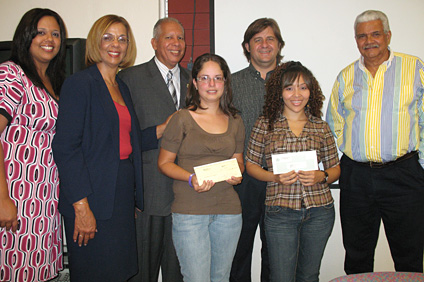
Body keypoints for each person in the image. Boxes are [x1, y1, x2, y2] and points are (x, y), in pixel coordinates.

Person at [52, 15, 157, 282]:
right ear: (96, 42)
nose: (116, 44)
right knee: (94, 273)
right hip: (91, 196)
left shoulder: (121, 86)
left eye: (122, 38)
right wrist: (81, 206)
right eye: (108, 37)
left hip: (120, 195)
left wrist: (164, 129)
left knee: (119, 272)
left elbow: (124, 142)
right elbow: (66, 148)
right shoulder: (80, 84)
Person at [326, 10, 424, 274]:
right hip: (356, 176)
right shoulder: (346, 76)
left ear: (388, 35)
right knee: (357, 255)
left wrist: (421, 167)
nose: (369, 40)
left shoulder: (415, 69)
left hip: (403, 174)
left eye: (375, 33)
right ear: (356, 40)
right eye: (362, 36)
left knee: (409, 255)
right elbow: (334, 122)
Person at [246, 61, 340, 282]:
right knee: (281, 277)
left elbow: (335, 168)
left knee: (309, 276)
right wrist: (274, 177)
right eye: (289, 88)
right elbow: (250, 164)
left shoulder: (321, 126)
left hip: (319, 211)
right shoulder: (265, 124)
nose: (296, 94)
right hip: (280, 213)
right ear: (279, 93)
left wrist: (323, 176)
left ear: (311, 91)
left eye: (303, 87)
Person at [157, 53, 245, 282]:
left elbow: (238, 161)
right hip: (190, 213)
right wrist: (190, 178)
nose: (212, 84)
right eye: (205, 78)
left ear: (225, 82)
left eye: (217, 78)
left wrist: (237, 173)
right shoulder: (182, 118)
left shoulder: (235, 120)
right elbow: (164, 163)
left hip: (228, 212)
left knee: (221, 278)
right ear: (195, 83)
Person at [118, 17, 189, 282]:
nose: (176, 43)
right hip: (147, 194)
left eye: (180, 38)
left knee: (179, 274)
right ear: (154, 43)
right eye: (169, 37)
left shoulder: (195, 80)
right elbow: (121, 137)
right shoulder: (129, 79)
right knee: (141, 273)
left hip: (186, 196)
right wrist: (161, 129)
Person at [0, 8, 67, 282]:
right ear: (26, 35)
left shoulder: (52, 82)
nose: (48, 39)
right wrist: (2, 199)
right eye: (40, 32)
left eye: (55, 33)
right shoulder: (11, 74)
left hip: (43, 199)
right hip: (16, 193)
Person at [230, 18, 285, 282]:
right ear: (247, 46)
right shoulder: (230, 83)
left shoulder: (293, 80)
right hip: (242, 180)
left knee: (276, 253)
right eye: (258, 39)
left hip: (282, 179)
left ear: (279, 45)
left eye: (270, 39)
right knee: (238, 250)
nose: (265, 45)